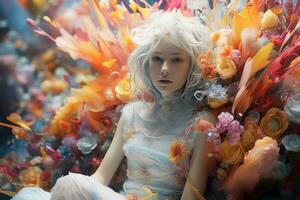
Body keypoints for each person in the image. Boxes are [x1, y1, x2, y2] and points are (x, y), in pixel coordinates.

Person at [12, 10, 215, 200]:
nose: (164, 69)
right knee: (29, 196)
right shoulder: (132, 113)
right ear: (146, 61)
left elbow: (193, 195)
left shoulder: (202, 123)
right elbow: (100, 177)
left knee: (72, 185)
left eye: (176, 60)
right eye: (157, 59)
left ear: (192, 66)